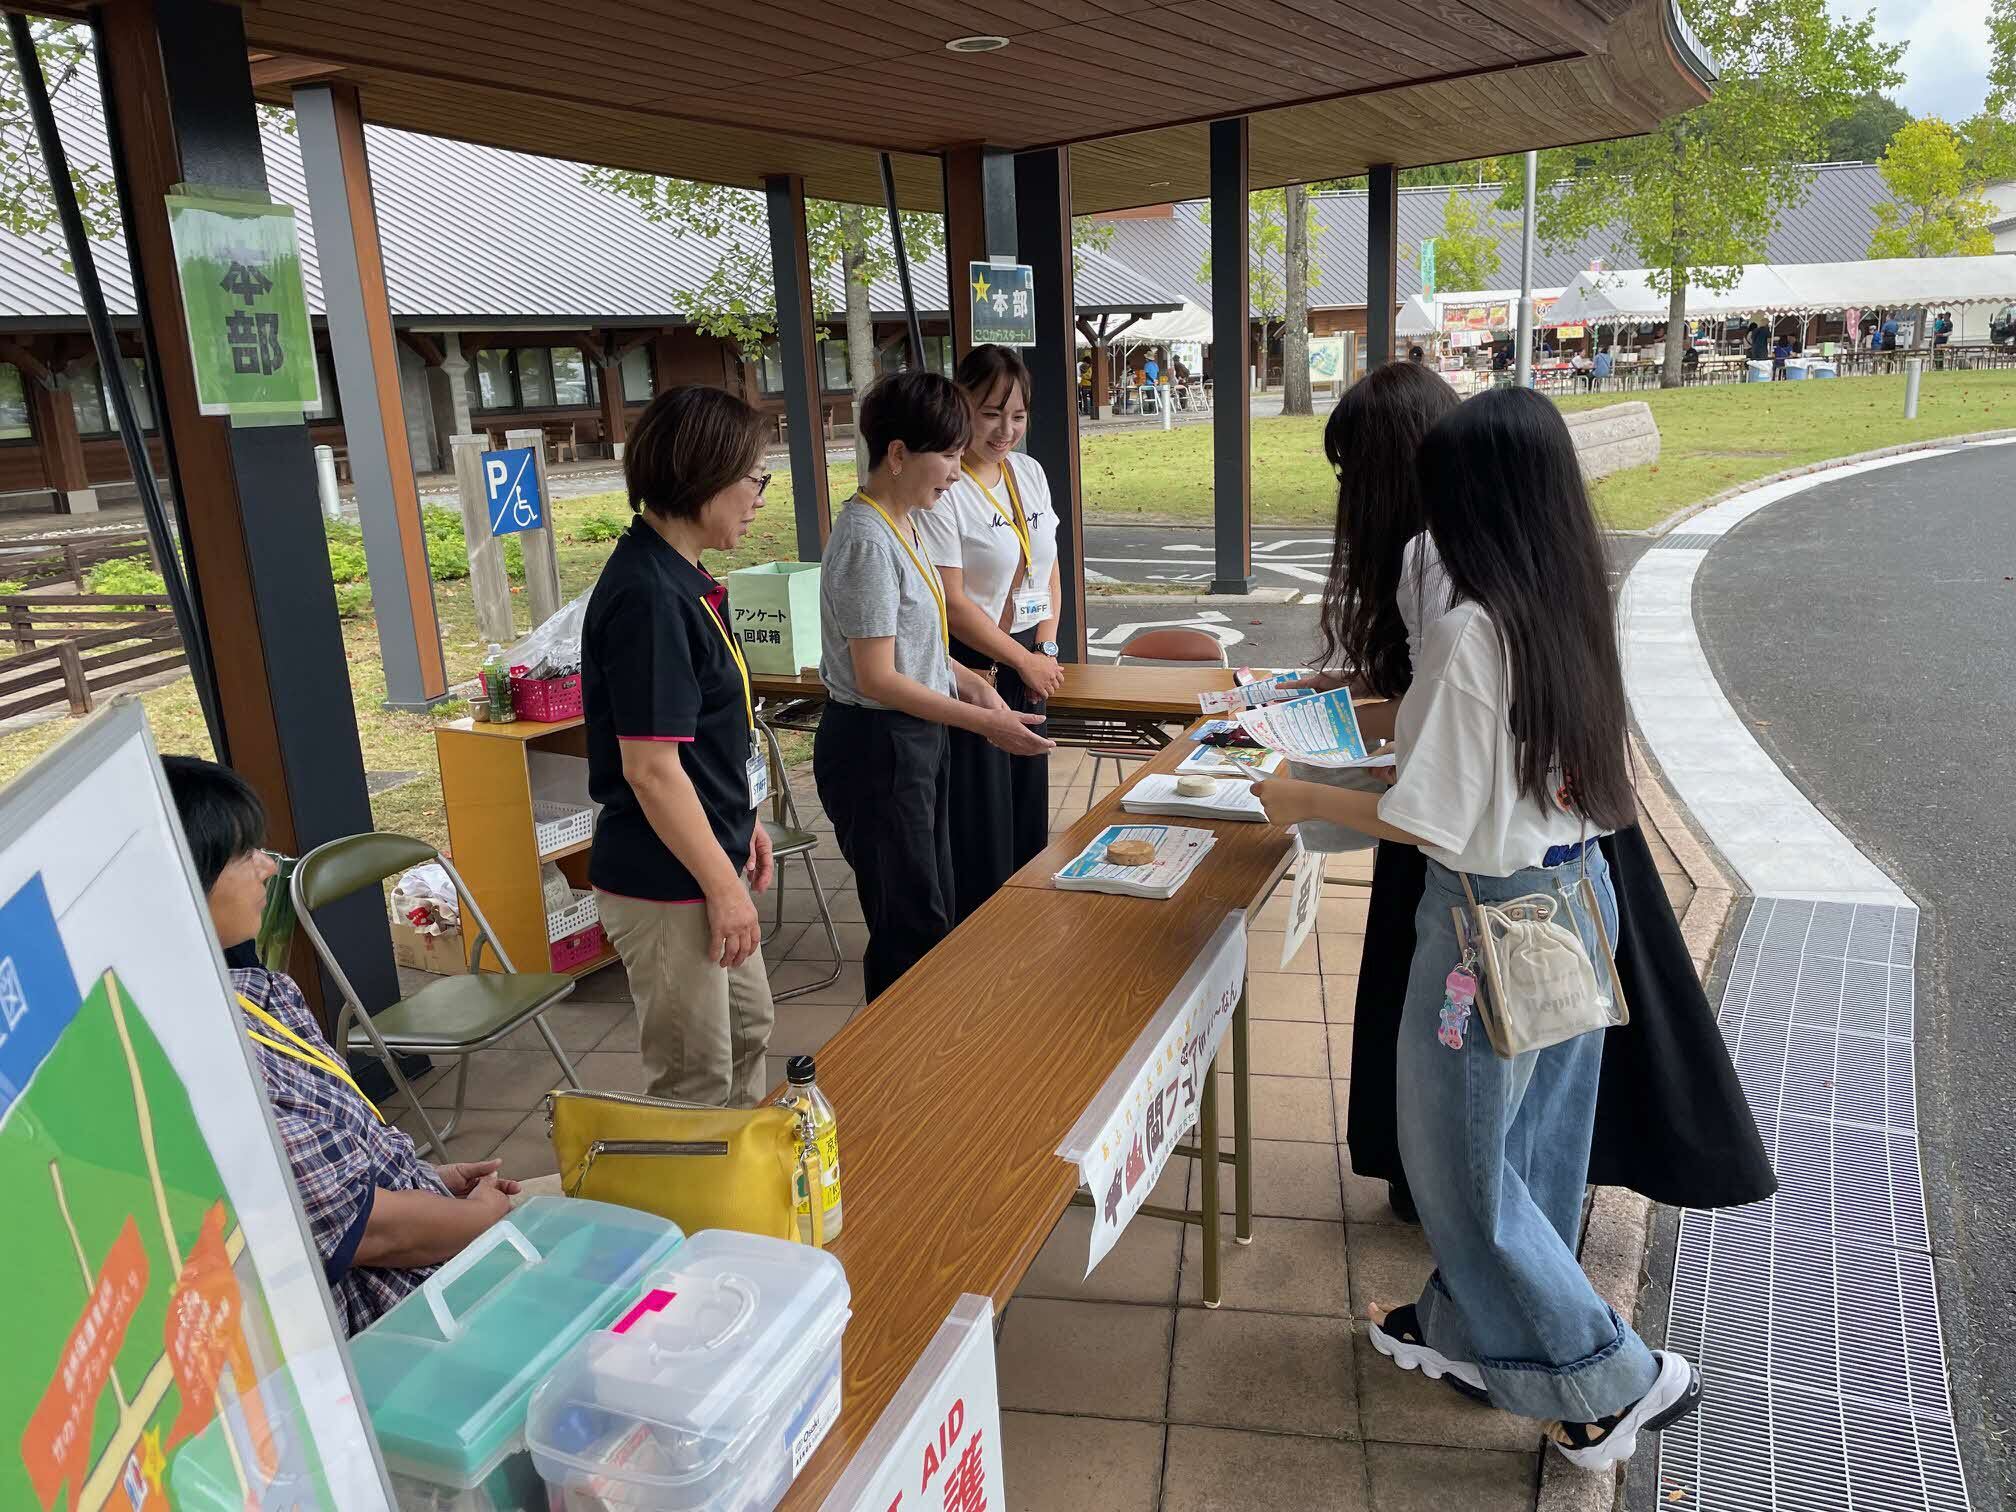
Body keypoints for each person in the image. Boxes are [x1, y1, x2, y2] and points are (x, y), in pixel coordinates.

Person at [1255, 389, 1706, 1469]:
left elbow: (1425, 818)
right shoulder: (1559, 596)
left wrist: (1299, 795)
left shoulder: (1467, 626)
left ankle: (1608, 1384)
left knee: (1463, 1167)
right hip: (1570, 902)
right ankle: (1469, 1336)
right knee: (1529, 1148)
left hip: (1484, 931)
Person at [163, 756, 521, 1336]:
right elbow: (364, 1228)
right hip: (386, 1330)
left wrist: (423, 1180)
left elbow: (336, 1156)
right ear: (179, 883)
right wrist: (472, 1219)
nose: (268, 869)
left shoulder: (256, 990)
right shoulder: (201, 1052)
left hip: (415, 1255)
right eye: (242, 855)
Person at [813, 370, 1053, 999]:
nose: (955, 470)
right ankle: (895, 1078)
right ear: (897, 455)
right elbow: (877, 677)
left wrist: (971, 682)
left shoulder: (907, 521)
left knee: (931, 906)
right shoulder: (867, 537)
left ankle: (924, 1062)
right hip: (877, 744)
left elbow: (914, 646)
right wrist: (983, 721)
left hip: (913, 736)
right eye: (947, 453)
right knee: (908, 924)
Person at [581, 385, 777, 1108]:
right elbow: (652, 770)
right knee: (695, 1077)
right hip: (668, 882)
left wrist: (740, 818)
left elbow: (699, 743)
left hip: (705, 858)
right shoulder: (650, 597)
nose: (760, 494)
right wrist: (723, 888)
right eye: (753, 476)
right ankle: (690, 1218)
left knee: (750, 1034)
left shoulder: (679, 578)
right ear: (702, 474)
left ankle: (742, 1202)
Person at [917, 345, 1063, 923]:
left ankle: (1024, 927)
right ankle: (980, 937)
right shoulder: (943, 487)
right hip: (972, 664)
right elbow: (951, 602)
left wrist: (1045, 646)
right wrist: (1020, 661)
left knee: (1027, 807)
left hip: (1030, 655)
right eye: (991, 413)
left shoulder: (1028, 473)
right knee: (982, 819)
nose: (1006, 430)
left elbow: (1047, 568)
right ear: (961, 408)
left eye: (1019, 416)